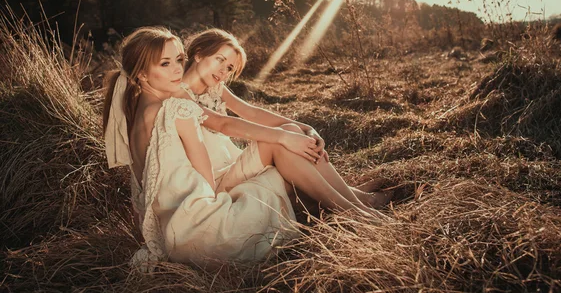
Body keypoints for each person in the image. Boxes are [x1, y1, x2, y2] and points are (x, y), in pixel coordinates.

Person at [103, 27, 306, 268]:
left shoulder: (135, 116)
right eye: (165, 64)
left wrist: (153, 240)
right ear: (143, 75)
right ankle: (342, 206)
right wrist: (221, 201)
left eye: (179, 59)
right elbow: (207, 168)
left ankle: (340, 200)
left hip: (171, 238)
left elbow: (143, 195)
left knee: (272, 188)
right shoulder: (175, 108)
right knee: (270, 186)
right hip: (202, 234)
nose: (178, 68)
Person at [177, 28, 392, 217]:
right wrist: (285, 136)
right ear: (198, 54)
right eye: (220, 60)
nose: (224, 71)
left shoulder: (215, 88)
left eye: (230, 68)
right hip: (212, 183)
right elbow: (222, 124)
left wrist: (304, 128)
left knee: (291, 131)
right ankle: (354, 211)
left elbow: (251, 112)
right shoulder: (178, 94)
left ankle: (359, 200)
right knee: (278, 140)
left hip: (230, 168)